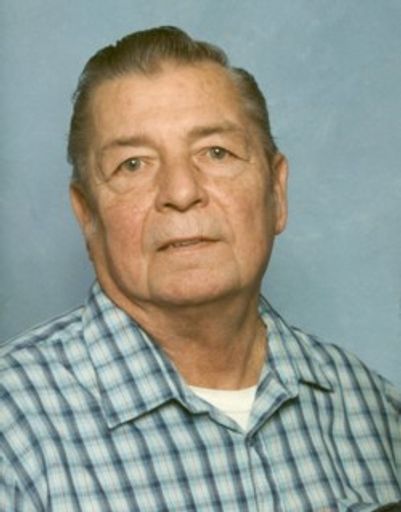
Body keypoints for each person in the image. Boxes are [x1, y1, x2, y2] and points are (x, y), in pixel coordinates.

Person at [0, 26, 400, 512]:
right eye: (133, 164)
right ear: (87, 215)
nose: (182, 191)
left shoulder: (375, 411)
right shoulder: (11, 431)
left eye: (216, 152)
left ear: (276, 192)